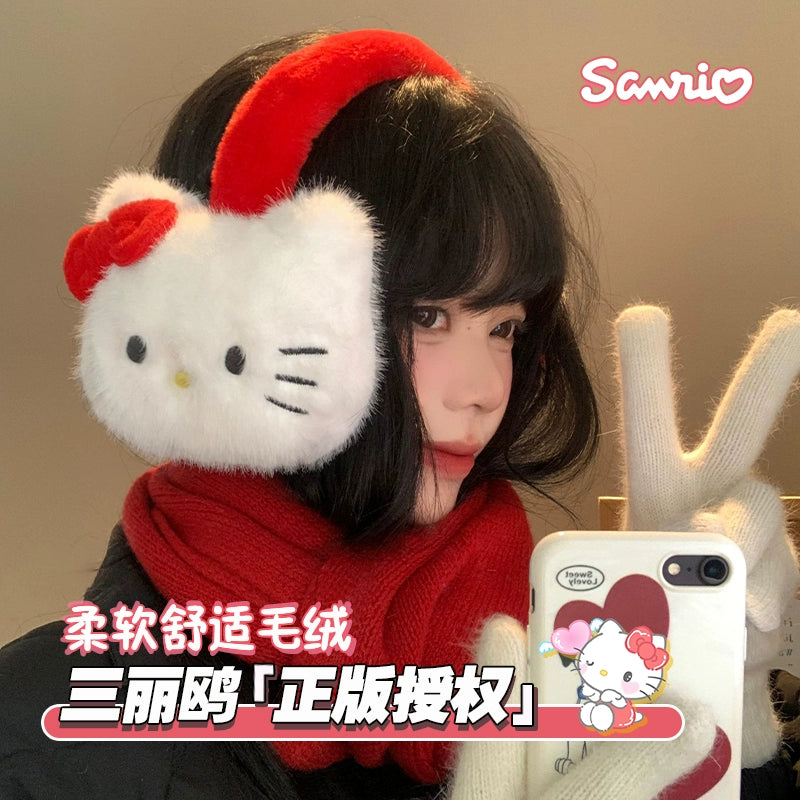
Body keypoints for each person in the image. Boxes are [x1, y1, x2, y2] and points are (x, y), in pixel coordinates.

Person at [1, 28, 797, 800]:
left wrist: (720, 705)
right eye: (426, 316)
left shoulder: (565, 651)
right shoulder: (44, 738)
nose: (484, 389)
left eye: (505, 328)